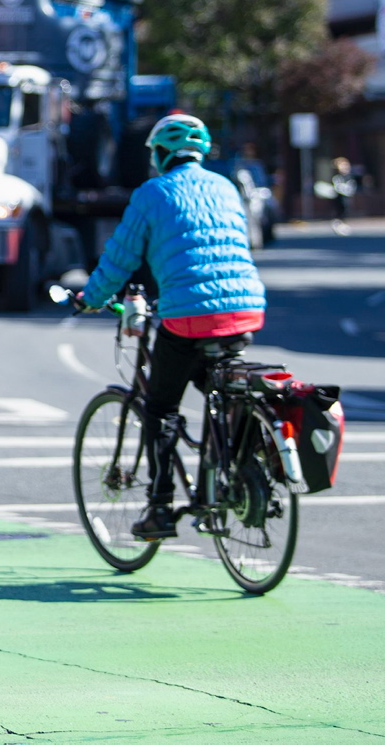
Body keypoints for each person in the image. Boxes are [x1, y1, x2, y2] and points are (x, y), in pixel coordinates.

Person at [77, 113, 266, 540]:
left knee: (160, 407)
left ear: (160, 155)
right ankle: (232, 465)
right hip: (245, 309)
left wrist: (88, 298)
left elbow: (120, 257)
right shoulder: (228, 187)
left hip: (189, 315)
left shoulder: (152, 193)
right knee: (219, 385)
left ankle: (160, 508)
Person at [330, 157, 357, 235]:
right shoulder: (337, 177)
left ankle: (342, 224)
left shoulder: (350, 177)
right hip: (339, 197)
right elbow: (336, 186)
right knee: (339, 210)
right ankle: (338, 224)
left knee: (346, 210)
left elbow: (352, 186)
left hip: (347, 197)